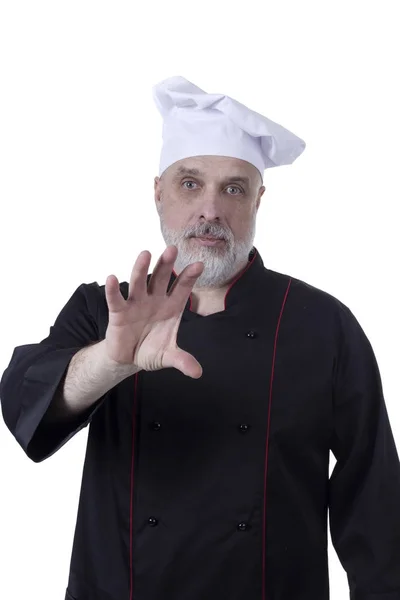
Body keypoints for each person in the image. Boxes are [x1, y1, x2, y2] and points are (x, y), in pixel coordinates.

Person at [1, 76, 400, 600]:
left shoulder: (323, 325)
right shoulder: (105, 309)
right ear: (157, 192)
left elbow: (373, 498)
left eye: (233, 188)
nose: (210, 210)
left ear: (259, 200)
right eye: (190, 183)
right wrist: (111, 360)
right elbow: (21, 401)